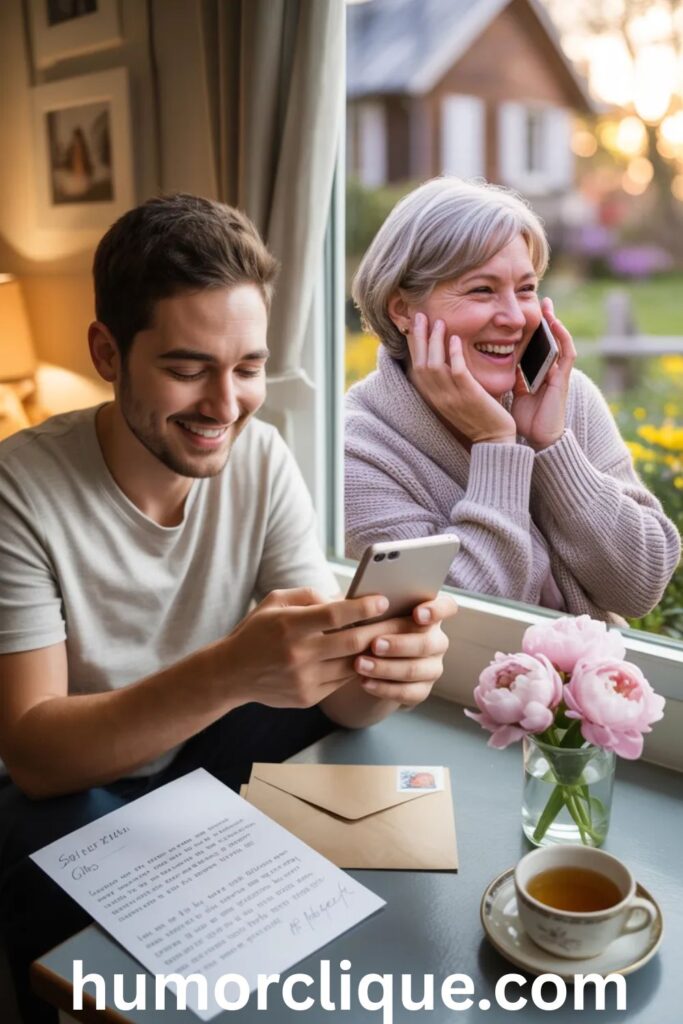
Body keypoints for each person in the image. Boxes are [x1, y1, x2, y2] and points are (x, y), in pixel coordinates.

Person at [0, 193, 456, 1023]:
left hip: (199, 739)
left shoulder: (264, 455)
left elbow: (332, 696)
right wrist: (231, 667)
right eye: (186, 368)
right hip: (68, 778)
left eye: (247, 367)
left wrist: (382, 672)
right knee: (46, 837)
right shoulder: (19, 489)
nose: (225, 405)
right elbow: (33, 751)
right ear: (107, 351)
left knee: (362, 823)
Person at [345, 177, 680, 621]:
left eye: (525, 289)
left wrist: (554, 446)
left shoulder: (567, 398)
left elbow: (640, 587)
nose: (514, 318)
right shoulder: (355, 450)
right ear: (402, 309)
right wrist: (496, 444)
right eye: (481, 290)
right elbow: (462, 625)